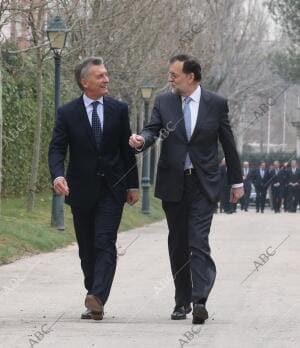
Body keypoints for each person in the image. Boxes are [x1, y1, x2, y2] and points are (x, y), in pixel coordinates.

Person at [129, 54, 243, 324]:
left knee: (198, 241)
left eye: (174, 74)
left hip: (203, 183)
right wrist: (140, 141)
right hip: (173, 183)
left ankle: (199, 299)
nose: (170, 78)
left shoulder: (216, 104)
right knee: (178, 243)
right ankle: (182, 301)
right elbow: (151, 130)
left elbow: (228, 143)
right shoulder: (164, 102)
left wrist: (236, 182)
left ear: (190, 77)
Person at [48, 57, 139, 320]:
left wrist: (132, 185)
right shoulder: (67, 113)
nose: (106, 79)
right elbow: (56, 148)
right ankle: (93, 297)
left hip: (112, 189)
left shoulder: (119, 109)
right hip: (81, 190)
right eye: (100, 76)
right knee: (87, 248)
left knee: (104, 242)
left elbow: (126, 150)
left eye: (106, 74)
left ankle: (98, 296)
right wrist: (57, 176)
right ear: (84, 82)